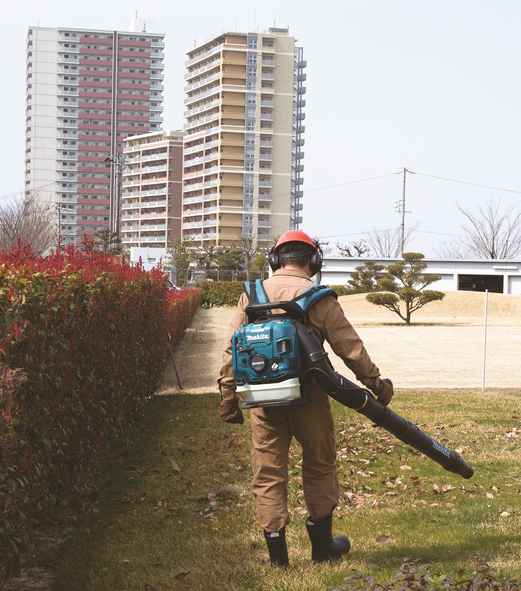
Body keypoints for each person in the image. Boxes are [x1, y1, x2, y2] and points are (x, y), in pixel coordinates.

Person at [217, 230, 393, 568]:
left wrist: (228, 399)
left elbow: (231, 350)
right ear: (314, 261)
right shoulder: (319, 297)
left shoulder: (251, 294)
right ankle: (323, 546)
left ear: (275, 260)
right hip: (309, 398)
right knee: (319, 465)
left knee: (268, 474)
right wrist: (376, 385)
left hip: (263, 402)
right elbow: (350, 348)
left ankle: (278, 559)